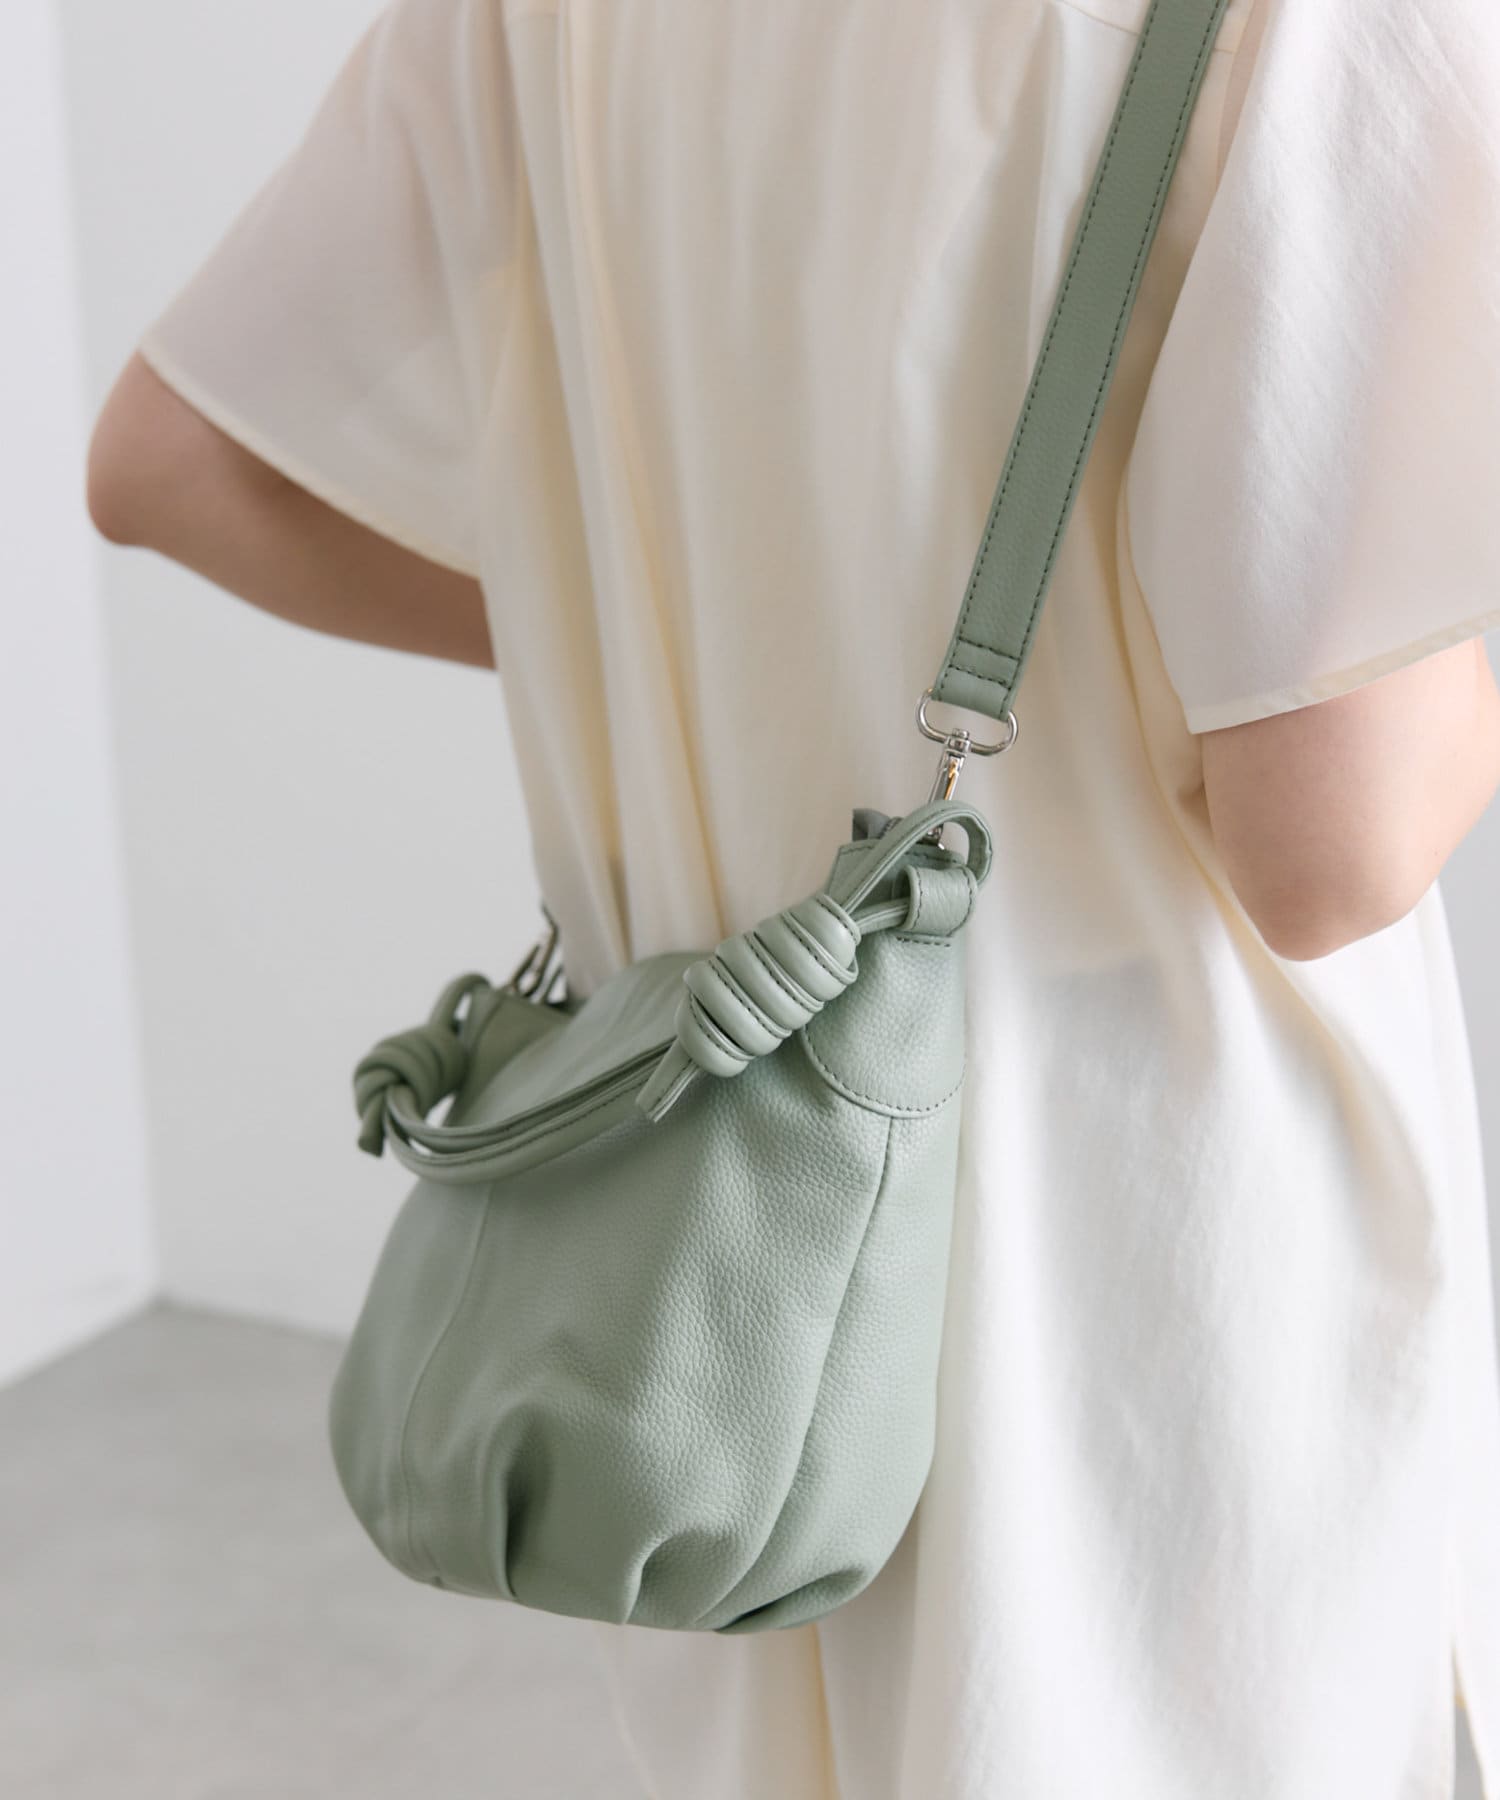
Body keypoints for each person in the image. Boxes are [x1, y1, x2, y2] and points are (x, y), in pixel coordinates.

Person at [86, 0, 1500, 1794]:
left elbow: (173, 467)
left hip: (702, 1328)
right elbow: (1331, 846)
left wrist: (630, 644)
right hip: (1155, 1311)